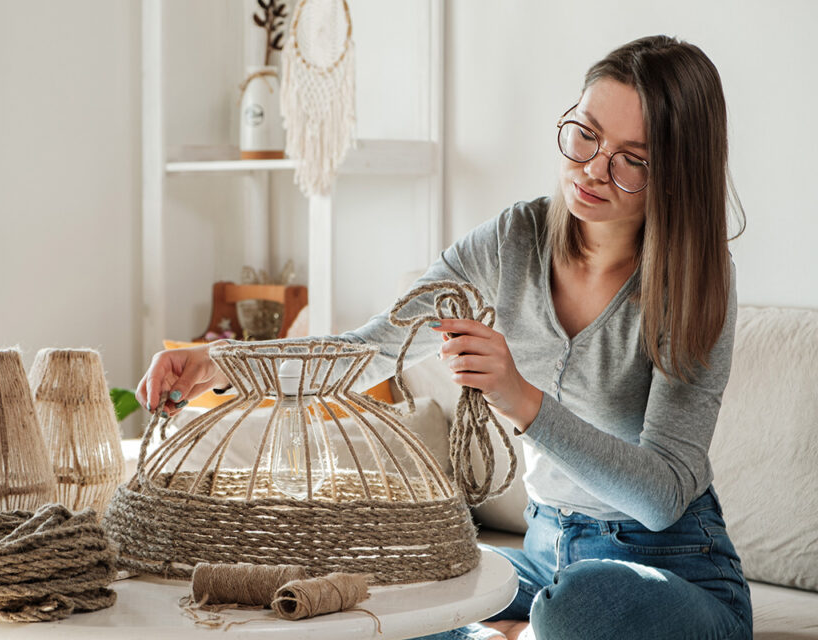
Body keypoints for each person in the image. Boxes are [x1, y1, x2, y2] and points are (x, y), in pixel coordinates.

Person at [136, 35, 751, 640]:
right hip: (543, 555)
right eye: (585, 134)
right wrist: (223, 363)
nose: (592, 169)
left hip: (669, 569)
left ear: (673, 173)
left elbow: (663, 496)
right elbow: (372, 348)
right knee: (372, 603)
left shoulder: (697, 281)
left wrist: (523, 401)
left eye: (632, 160)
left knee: (582, 608)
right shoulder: (514, 240)